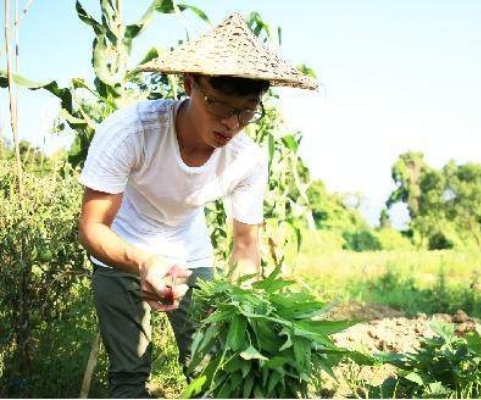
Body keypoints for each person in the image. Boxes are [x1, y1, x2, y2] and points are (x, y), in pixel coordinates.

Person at [77, 12, 316, 398]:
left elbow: (244, 249)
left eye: (247, 111)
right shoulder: (131, 132)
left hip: (189, 253)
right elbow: (92, 227)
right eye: (218, 105)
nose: (231, 123)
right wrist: (144, 262)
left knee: (210, 367)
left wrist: (246, 311)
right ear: (189, 84)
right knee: (129, 373)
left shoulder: (247, 158)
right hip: (121, 249)